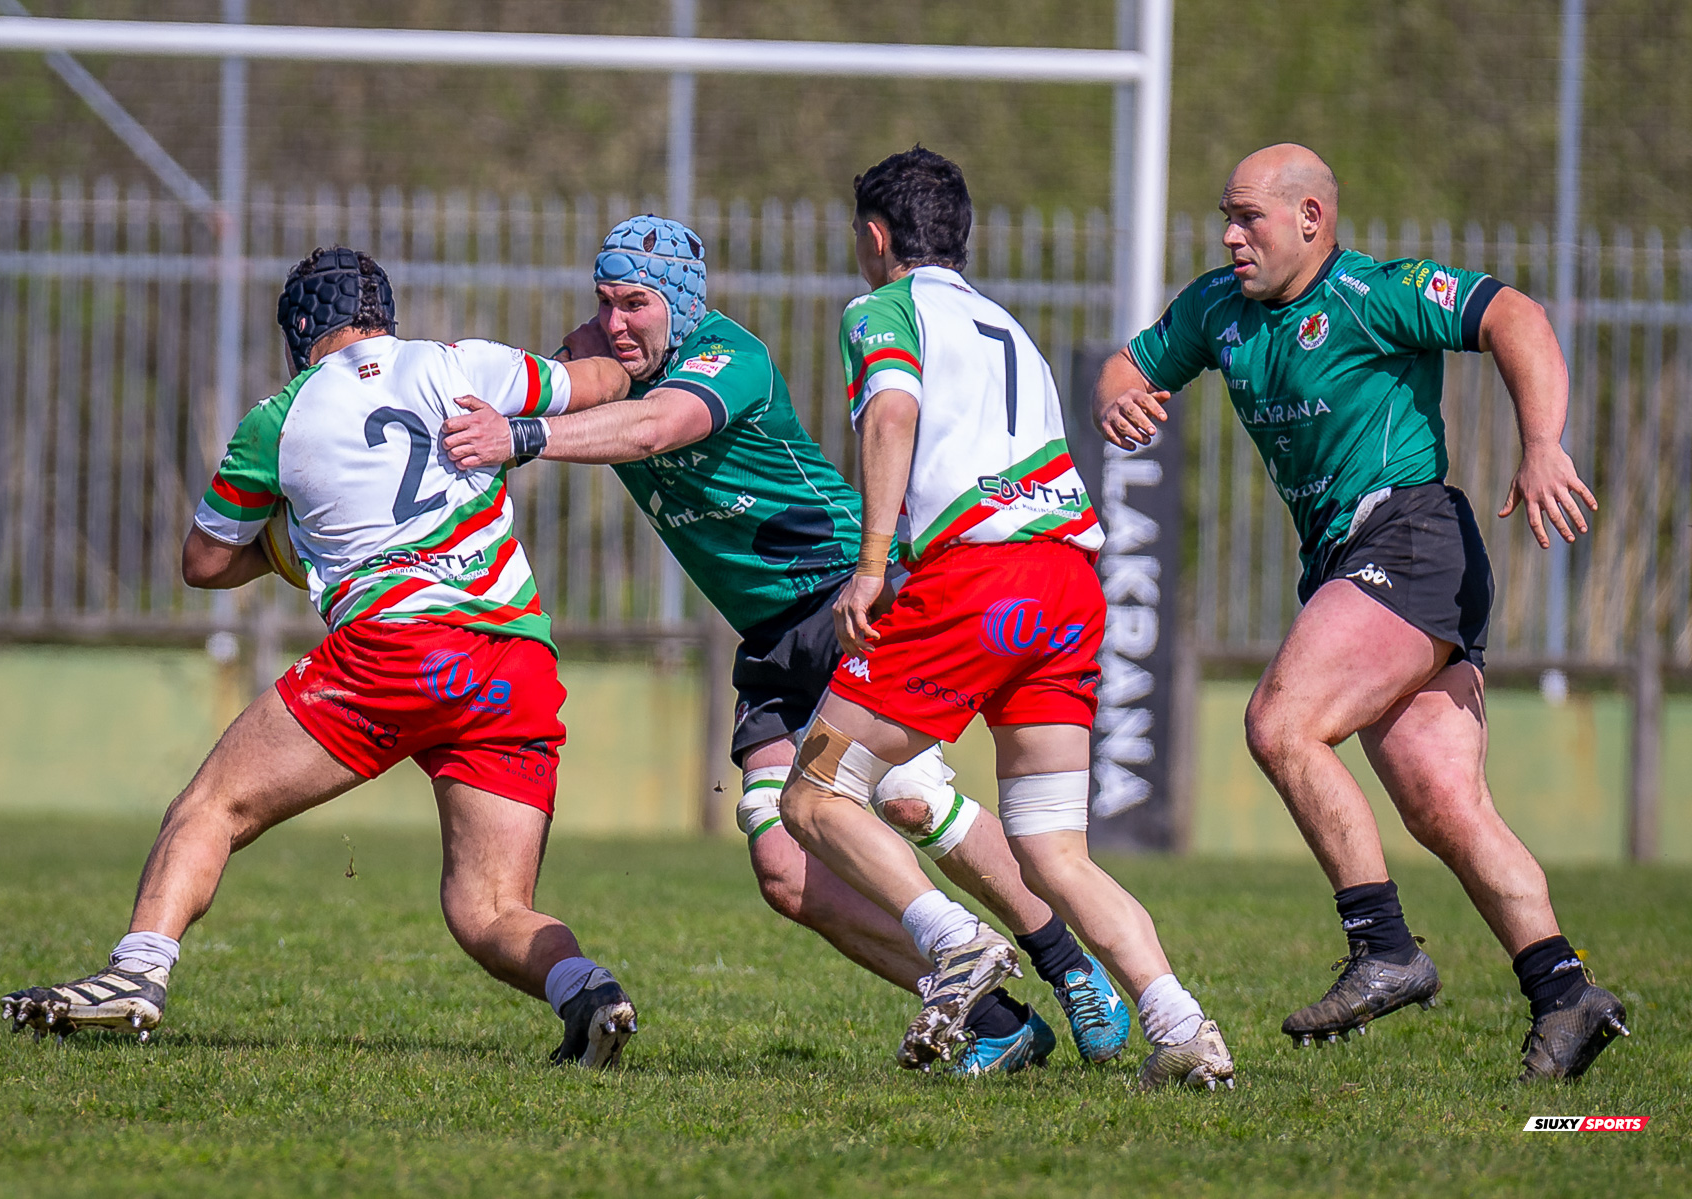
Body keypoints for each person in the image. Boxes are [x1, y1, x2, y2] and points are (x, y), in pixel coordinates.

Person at [440, 214, 1130, 1075]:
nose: (619, 323)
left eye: (638, 304)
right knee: (782, 865)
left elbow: (656, 428)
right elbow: (557, 379)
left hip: (841, 597)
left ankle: (1071, 967)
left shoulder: (730, 358)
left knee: (910, 797)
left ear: (684, 306)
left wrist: (523, 436)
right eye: (606, 303)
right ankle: (994, 1014)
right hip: (771, 638)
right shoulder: (606, 354)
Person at [0, 247, 645, 1069]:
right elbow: (598, 382)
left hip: (396, 650)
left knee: (212, 806)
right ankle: (591, 993)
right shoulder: (463, 363)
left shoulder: (280, 416)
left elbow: (201, 562)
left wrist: (284, 542)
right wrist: (609, 335)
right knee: (486, 905)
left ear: (301, 329)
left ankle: (136, 972)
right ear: (385, 315)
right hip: (512, 663)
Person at [1094, 143, 1629, 1082]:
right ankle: (1564, 991)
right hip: (1356, 563)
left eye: (1248, 217)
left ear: (1311, 219)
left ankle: (1383, 945)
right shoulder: (1217, 309)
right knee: (1445, 805)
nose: (1229, 235)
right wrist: (1121, 401)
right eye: (1226, 215)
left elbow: (1516, 315)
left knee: (1280, 722)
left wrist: (1542, 443)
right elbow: (1126, 366)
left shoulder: (1378, 292)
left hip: (1412, 539)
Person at [773, 147, 1234, 1089]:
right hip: (1067, 585)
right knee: (1053, 850)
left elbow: (891, 413)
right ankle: (1185, 1028)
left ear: (875, 235)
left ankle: (956, 944)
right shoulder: (1005, 325)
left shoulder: (883, 311)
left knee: (813, 795)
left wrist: (871, 568)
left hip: (979, 581)